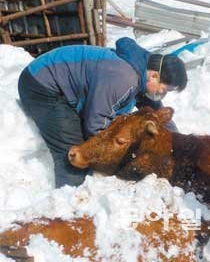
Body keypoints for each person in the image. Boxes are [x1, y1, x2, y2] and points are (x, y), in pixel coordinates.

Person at [18, 37, 188, 188]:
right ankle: (68, 203)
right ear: (154, 76)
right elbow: (95, 124)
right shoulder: (124, 78)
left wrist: (177, 144)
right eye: (164, 90)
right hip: (42, 85)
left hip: (57, 85)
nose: (161, 94)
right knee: (75, 152)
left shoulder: (140, 73)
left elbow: (156, 111)